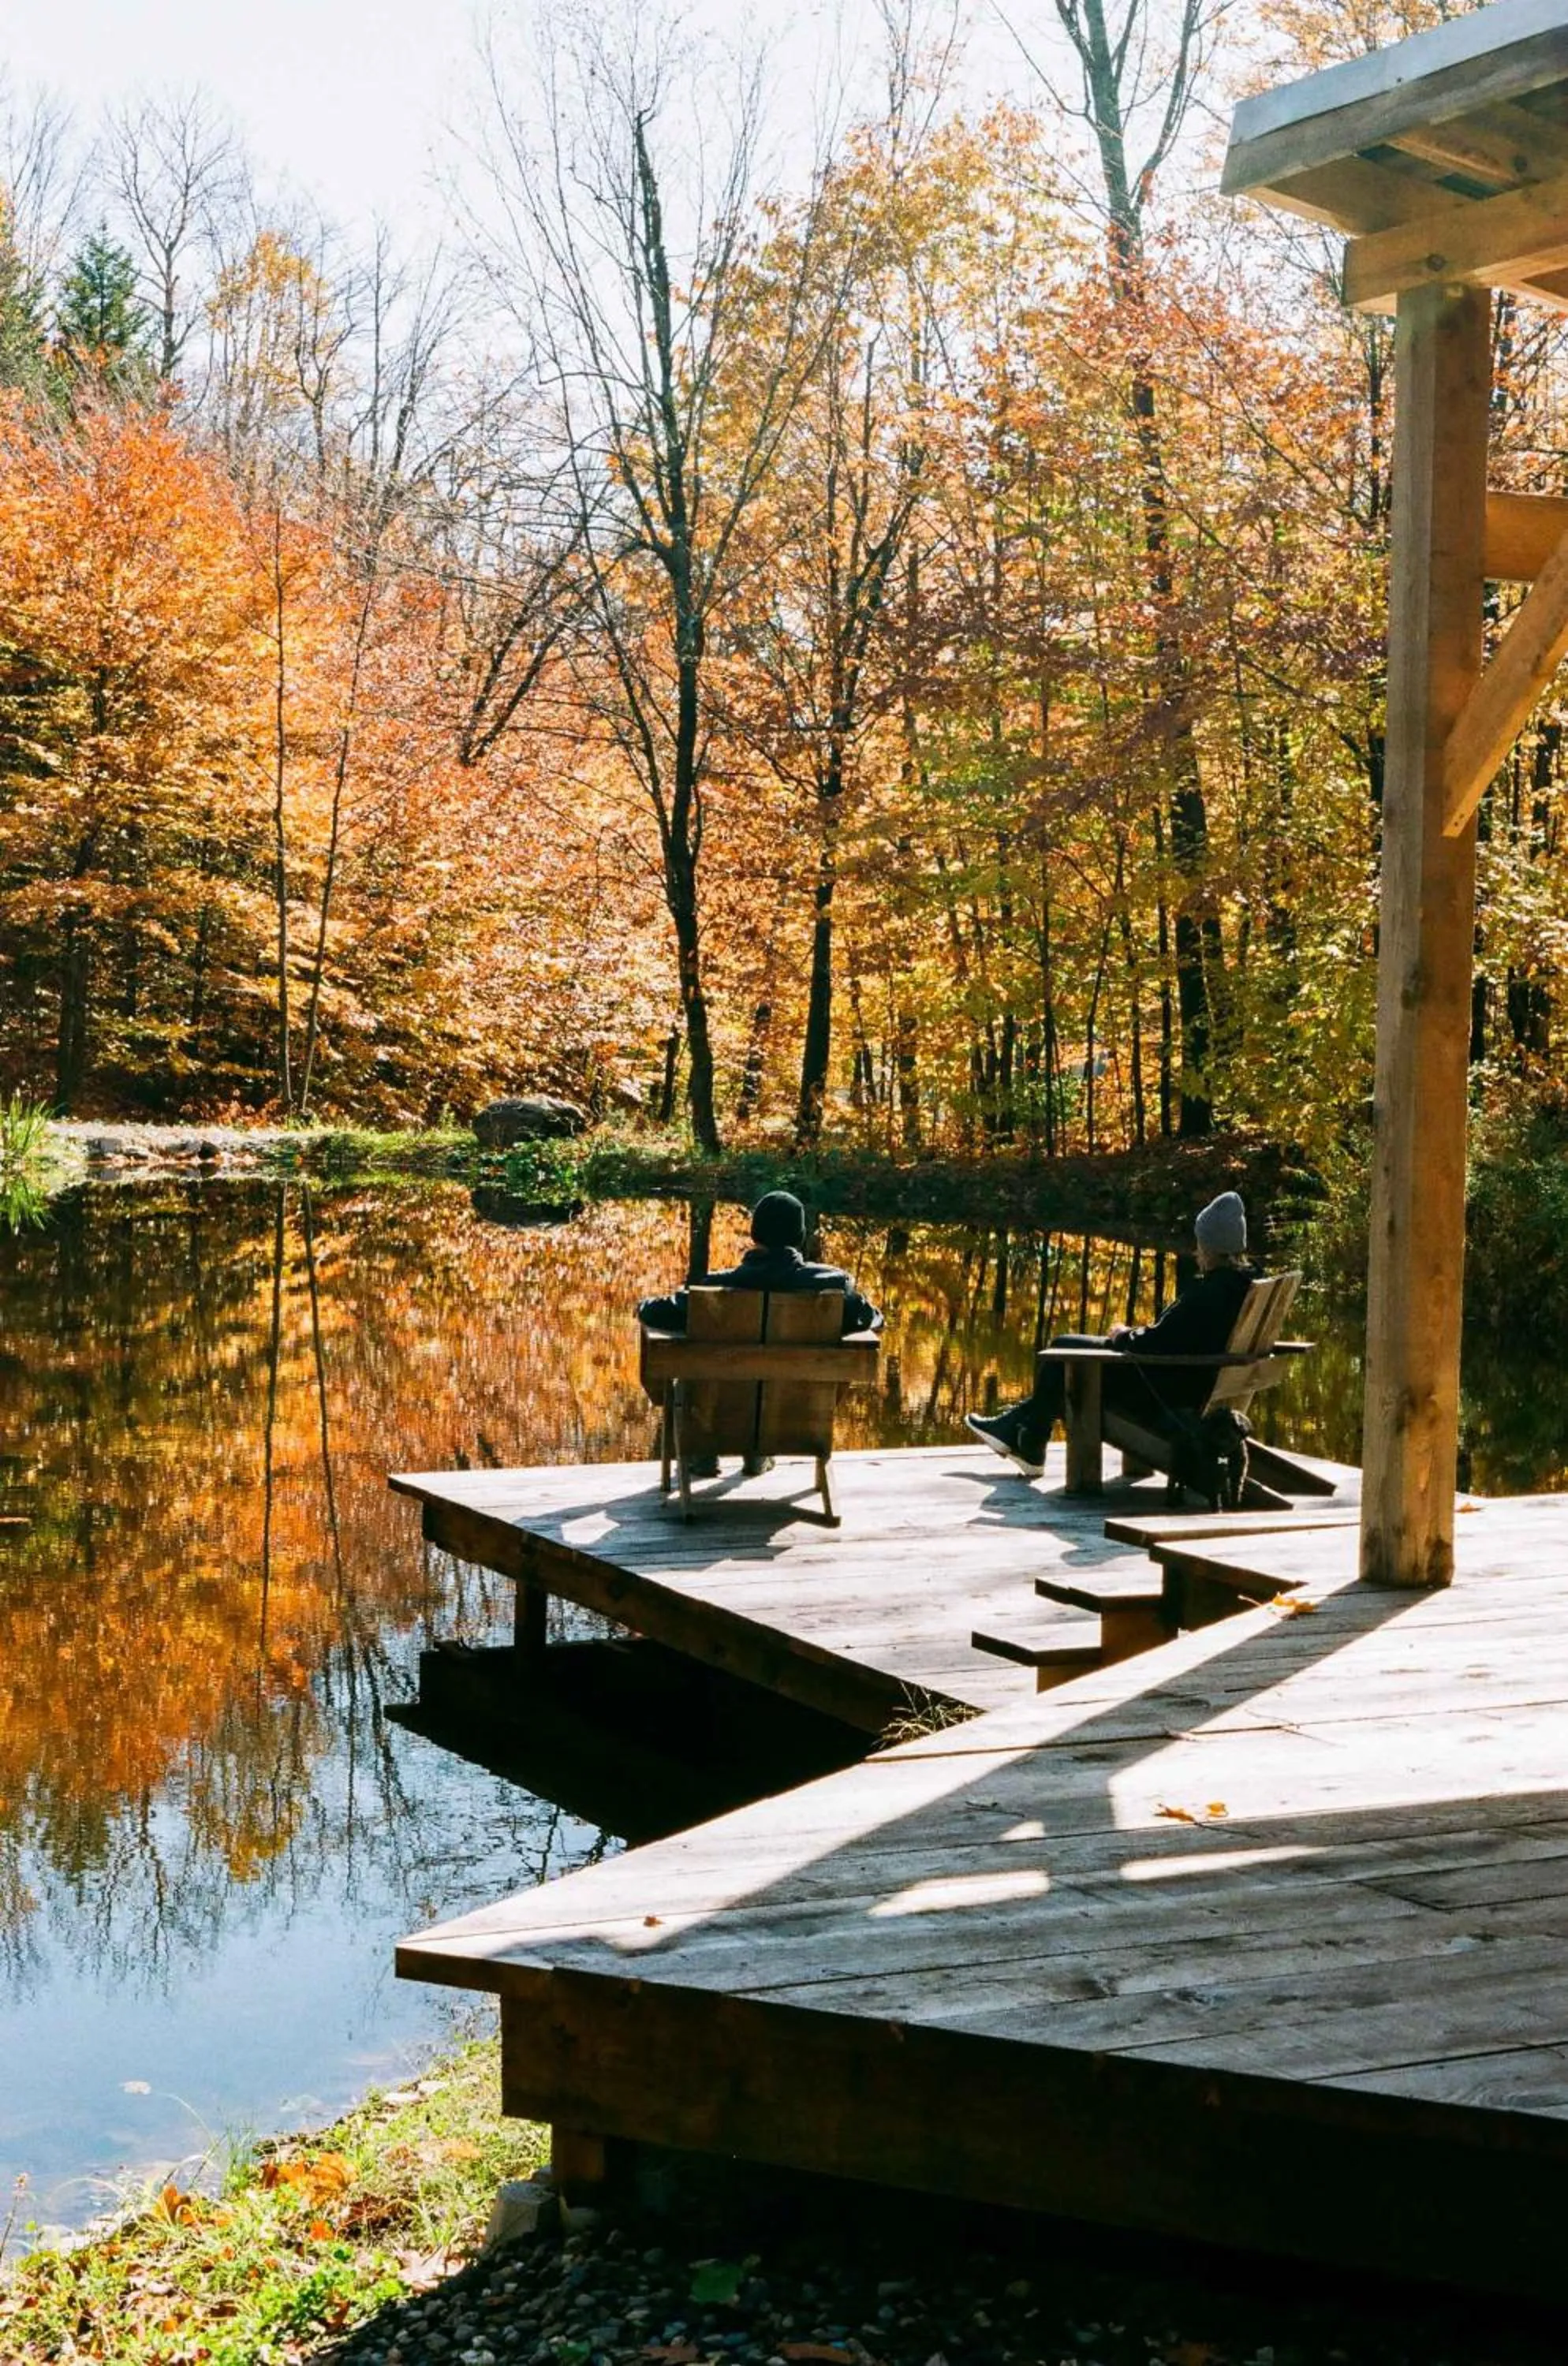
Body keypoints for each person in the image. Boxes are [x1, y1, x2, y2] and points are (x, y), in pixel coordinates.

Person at [965, 1190, 1257, 1479]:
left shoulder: (1210, 1293)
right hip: (1187, 1383)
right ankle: (1025, 1433)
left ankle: (1030, 1441)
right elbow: (1173, 1337)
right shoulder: (1240, 1286)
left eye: (1200, 1244)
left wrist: (1123, 1335)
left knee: (1062, 1353)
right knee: (1065, 1348)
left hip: (1163, 1389)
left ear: (1212, 1247)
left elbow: (1154, 1344)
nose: (1196, 1251)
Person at [640, 1191, 882, 1477]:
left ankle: (704, 1453)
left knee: (692, 1376)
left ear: (754, 1234)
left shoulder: (714, 1288)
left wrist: (641, 1306)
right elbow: (872, 1318)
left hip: (715, 1416)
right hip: (793, 1414)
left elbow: (655, 1313)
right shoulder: (835, 1287)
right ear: (800, 1236)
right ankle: (760, 1452)